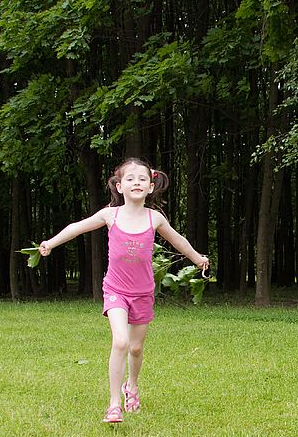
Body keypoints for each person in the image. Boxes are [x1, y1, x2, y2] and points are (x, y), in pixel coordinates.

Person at [38, 157, 209, 423]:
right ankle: (114, 403)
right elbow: (76, 227)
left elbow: (179, 240)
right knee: (120, 341)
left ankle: (133, 386)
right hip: (116, 290)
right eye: (130, 179)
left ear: (150, 187)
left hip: (143, 293)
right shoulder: (110, 215)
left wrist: (198, 259)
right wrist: (51, 242)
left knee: (136, 348)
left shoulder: (155, 219)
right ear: (119, 187)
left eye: (142, 179)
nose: (136, 183)